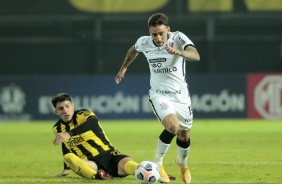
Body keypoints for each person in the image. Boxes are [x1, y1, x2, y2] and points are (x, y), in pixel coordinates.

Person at [115, 13, 200, 184]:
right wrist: (124, 67)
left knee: (184, 136)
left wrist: (180, 52)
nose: (158, 38)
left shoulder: (177, 38)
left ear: (168, 29)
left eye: (161, 33)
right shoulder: (144, 42)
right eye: (154, 34)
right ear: (149, 32)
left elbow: (195, 55)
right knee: (172, 127)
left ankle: (182, 164)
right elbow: (133, 50)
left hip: (181, 96)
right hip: (159, 94)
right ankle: (158, 164)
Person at [51, 93, 139, 180]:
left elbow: (93, 122)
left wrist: (69, 133)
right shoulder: (57, 128)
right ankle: (97, 176)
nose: (66, 111)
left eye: (67, 106)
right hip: (90, 164)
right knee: (67, 157)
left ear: (72, 105)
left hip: (109, 156)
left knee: (131, 166)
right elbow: (66, 144)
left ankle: (147, 171)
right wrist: (66, 168)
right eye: (61, 108)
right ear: (56, 112)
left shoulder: (84, 114)